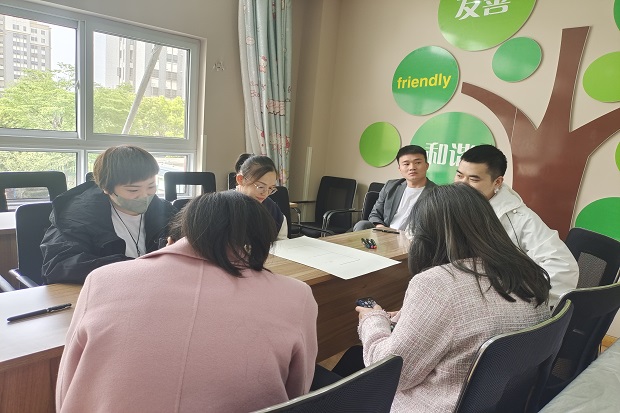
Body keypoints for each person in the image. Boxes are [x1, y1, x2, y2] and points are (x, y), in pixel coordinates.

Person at [56, 191, 318, 413]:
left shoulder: (102, 279)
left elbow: (68, 384)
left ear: (174, 238)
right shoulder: (297, 295)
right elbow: (297, 393)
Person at [355, 184, 551, 412]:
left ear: (428, 236)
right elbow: (473, 321)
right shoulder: (529, 274)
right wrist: (408, 316)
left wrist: (372, 319)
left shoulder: (438, 284)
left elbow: (391, 373)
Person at [454, 144, 578, 308]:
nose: (462, 184)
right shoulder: (454, 204)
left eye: (473, 179)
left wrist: (518, 303)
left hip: (496, 300)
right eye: (459, 175)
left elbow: (563, 267)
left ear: (497, 182)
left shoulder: (519, 218)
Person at [41, 145, 177, 285]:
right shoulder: (76, 215)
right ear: (106, 188)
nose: (144, 196)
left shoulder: (164, 211)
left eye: (151, 186)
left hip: (156, 286)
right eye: (133, 190)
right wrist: (135, 266)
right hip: (108, 289)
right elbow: (58, 266)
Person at [353, 145, 435, 231]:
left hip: (414, 236)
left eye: (417, 163)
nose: (412, 168)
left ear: (426, 166)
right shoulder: (391, 186)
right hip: (385, 231)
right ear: (400, 168)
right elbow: (375, 214)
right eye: (406, 164)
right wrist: (381, 228)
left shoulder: (436, 193)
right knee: (362, 224)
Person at [234, 153, 288, 240]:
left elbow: (282, 242)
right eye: (261, 187)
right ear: (240, 179)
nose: (265, 193)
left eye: (271, 188)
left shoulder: (273, 211)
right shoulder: (224, 206)